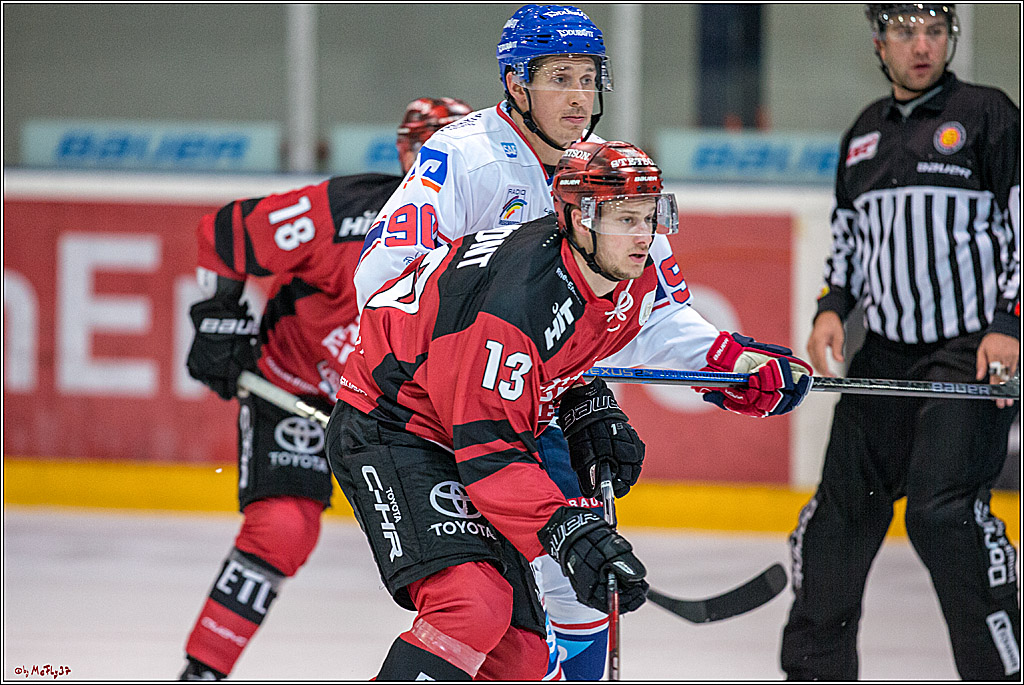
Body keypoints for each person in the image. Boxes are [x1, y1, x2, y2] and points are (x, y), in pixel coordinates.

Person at [354, 5, 814, 680]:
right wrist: (526, 360)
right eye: (560, 77)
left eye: (589, 78)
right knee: (479, 603)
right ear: (516, 84)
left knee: (581, 585)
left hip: (529, 398)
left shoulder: (603, 174)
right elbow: (382, 278)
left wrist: (735, 364)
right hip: (441, 402)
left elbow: (653, 313)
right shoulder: (467, 155)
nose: (579, 96)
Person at [178, 97, 472, 680]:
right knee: (283, 527)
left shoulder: (493, 236)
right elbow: (225, 234)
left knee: (467, 567)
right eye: (426, 150)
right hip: (301, 388)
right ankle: (203, 671)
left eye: (454, 154)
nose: (437, 170)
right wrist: (219, 318)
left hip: (405, 420)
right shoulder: (340, 213)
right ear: (404, 153)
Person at [781, 4, 1020, 680]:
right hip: (884, 351)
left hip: (967, 348)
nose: (923, 44)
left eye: (936, 31)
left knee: (944, 517)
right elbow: (850, 242)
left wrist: (1011, 321)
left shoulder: (988, 114)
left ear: (951, 38)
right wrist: (832, 307)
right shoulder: (862, 134)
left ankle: (1001, 671)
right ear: (879, 44)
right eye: (907, 32)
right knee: (834, 527)